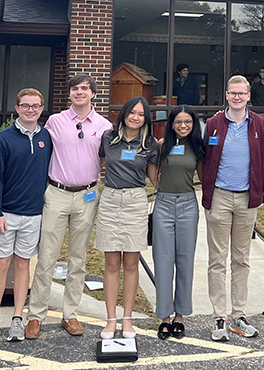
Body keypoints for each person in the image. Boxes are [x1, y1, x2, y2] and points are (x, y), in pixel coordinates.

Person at [25, 74, 113, 339]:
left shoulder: (104, 125)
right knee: (47, 256)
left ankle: (70, 314)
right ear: (70, 93)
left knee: (78, 258)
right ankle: (35, 316)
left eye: (85, 88)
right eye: (75, 88)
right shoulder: (55, 121)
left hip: (87, 194)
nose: (79, 92)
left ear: (93, 94)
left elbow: (112, 159)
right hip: (57, 192)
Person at [203, 75, 264, 342]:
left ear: (249, 95)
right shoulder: (213, 124)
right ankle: (218, 317)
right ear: (226, 95)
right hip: (220, 197)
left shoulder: (259, 124)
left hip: (247, 199)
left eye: (241, 93)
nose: (237, 97)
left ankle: (238, 314)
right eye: (232, 93)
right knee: (216, 260)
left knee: (241, 259)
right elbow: (203, 157)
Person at [0, 88, 52, 343]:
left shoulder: (47, 137)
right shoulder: (3, 138)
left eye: (35, 106)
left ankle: (18, 318)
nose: (30, 110)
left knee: (23, 265)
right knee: (0, 265)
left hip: (33, 215)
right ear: (18, 108)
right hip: (6, 215)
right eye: (25, 105)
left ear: (41, 109)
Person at [96, 96, 159, 339]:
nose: (136, 117)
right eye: (132, 112)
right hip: (110, 199)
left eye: (141, 114)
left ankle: (127, 320)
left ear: (146, 119)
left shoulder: (150, 145)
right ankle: (111, 319)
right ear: (123, 114)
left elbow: (155, 178)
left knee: (131, 264)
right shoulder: (108, 138)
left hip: (135, 201)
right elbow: (98, 164)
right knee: (111, 264)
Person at [152, 105, 205, 340]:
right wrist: (157, 184)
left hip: (187, 204)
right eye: (178, 122)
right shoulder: (163, 144)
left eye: (188, 122)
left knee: (185, 261)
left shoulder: (197, 146)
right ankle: (164, 316)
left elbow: (203, 177)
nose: (183, 126)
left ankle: (180, 316)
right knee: (163, 260)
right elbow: (152, 170)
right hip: (163, 204)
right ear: (171, 123)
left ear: (194, 124)